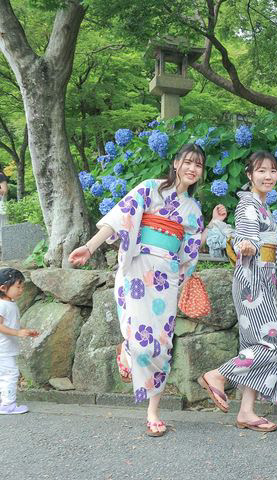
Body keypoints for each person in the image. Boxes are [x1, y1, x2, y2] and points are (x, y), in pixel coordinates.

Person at [68, 144, 225, 437]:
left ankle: (153, 411)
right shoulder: (149, 189)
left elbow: (191, 247)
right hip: (138, 270)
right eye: (188, 162)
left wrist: (214, 224)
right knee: (140, 341)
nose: (193, 169)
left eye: (199, 165)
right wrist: (90, 247)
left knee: (161, 345)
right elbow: (120, 218)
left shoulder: (192, 209)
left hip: (167, 278)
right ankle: (127, 352)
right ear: (176, 163)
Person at [199, 151, 277, 433]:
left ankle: (245, 411)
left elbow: (263, 240)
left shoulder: (261, 205)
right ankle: (217, 375)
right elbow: (246, 237)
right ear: (249, 175)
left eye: (273, 171)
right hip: (253, 281)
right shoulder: (247, 206)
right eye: (261, 171)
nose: (268, 176)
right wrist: (247, 246)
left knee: (253, 345)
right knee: (272, 345)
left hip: (260, 279)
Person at [0, 268, 39, 415]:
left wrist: (24, 331)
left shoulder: (9, 303)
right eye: (18, 286)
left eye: (22, 286)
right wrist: (17, 332)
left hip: (5, 349)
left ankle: (5, 400)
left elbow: (11, 325)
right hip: (3, 350)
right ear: (3, 288)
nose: (21, 290)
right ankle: (8, 405)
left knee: (4, 375)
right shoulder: (2, 305)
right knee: (10, 374)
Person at [0, 171, 9, 247]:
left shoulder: (0, 175)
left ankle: (4, 246)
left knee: (3, 226)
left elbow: (4, 190)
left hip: (1, 205)